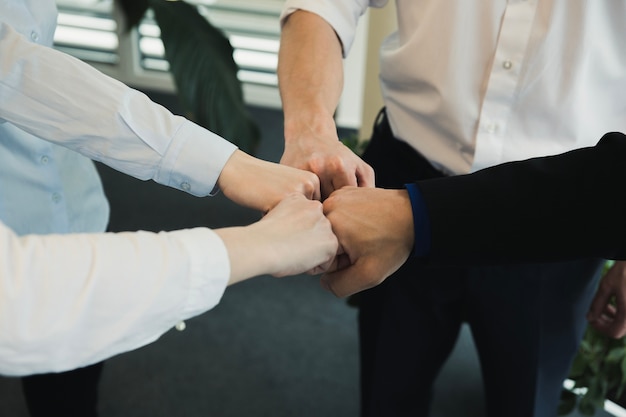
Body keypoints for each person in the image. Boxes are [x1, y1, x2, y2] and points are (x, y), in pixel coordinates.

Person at [277, 2, 626, 416]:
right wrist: (310, 130)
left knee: (526, 403)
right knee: (388, 393)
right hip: (400, 178)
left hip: (558, 221)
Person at [0, 1, 326, 416]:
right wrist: (260, 246)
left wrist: (227, 165)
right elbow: (19, 299)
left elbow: (15, 64)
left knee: (70, 389)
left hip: (70, 196)